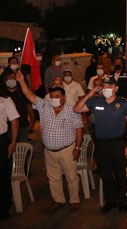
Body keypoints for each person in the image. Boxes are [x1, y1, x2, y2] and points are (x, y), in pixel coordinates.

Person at [16, 71, 83, 212]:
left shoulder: (73, 110)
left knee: (71, 176)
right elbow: (30, 95)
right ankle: (58, 200)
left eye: (57, 97)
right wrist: (22, 82)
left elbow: (79, 130)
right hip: (49, 151)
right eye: (52, 97)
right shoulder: (44, 106)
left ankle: (74, 200)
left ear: (64, 98)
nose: (54, 99)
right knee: (53, 178)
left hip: (67, 150)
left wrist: (77, 148)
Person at [74, 76, 127, 213]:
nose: (107, 89)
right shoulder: (95, 101)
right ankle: (110, 201)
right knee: (105, 174)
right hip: (101, 145)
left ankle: (122, 201)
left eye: (110, 86)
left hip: (118, 143)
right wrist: (91, 93)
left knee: (120, 174)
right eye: (105, 86)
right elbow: (77, 109)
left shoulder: (124, 104)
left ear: (116, 88)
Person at [0, 90, 19, 220]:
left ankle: (3, 208)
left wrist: (13, 142)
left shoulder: (5, 100)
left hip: (1, 141)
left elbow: (14, 122)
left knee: (3, 176)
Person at [1, 72, 33, 142]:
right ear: (5, 81)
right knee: (11, 146)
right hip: (8, 127)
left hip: (23, 124)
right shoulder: (3, 95)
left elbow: (29, 107)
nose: (11, 81)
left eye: (12, 79)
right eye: (8, 80)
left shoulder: (23, 92)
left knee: (22, 146)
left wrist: (32, 121)